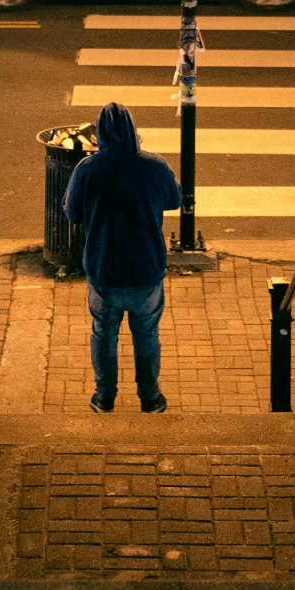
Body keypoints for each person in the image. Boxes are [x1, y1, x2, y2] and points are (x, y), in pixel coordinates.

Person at [63, 102, 182, 414]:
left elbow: (72, 212)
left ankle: (105, 397)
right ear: (133, 131)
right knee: (147, 333)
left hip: (104, 269)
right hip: (146, 268)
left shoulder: (87, 169)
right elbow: (174, 198)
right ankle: (150, 397)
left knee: (103, 334)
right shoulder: (155, 166)